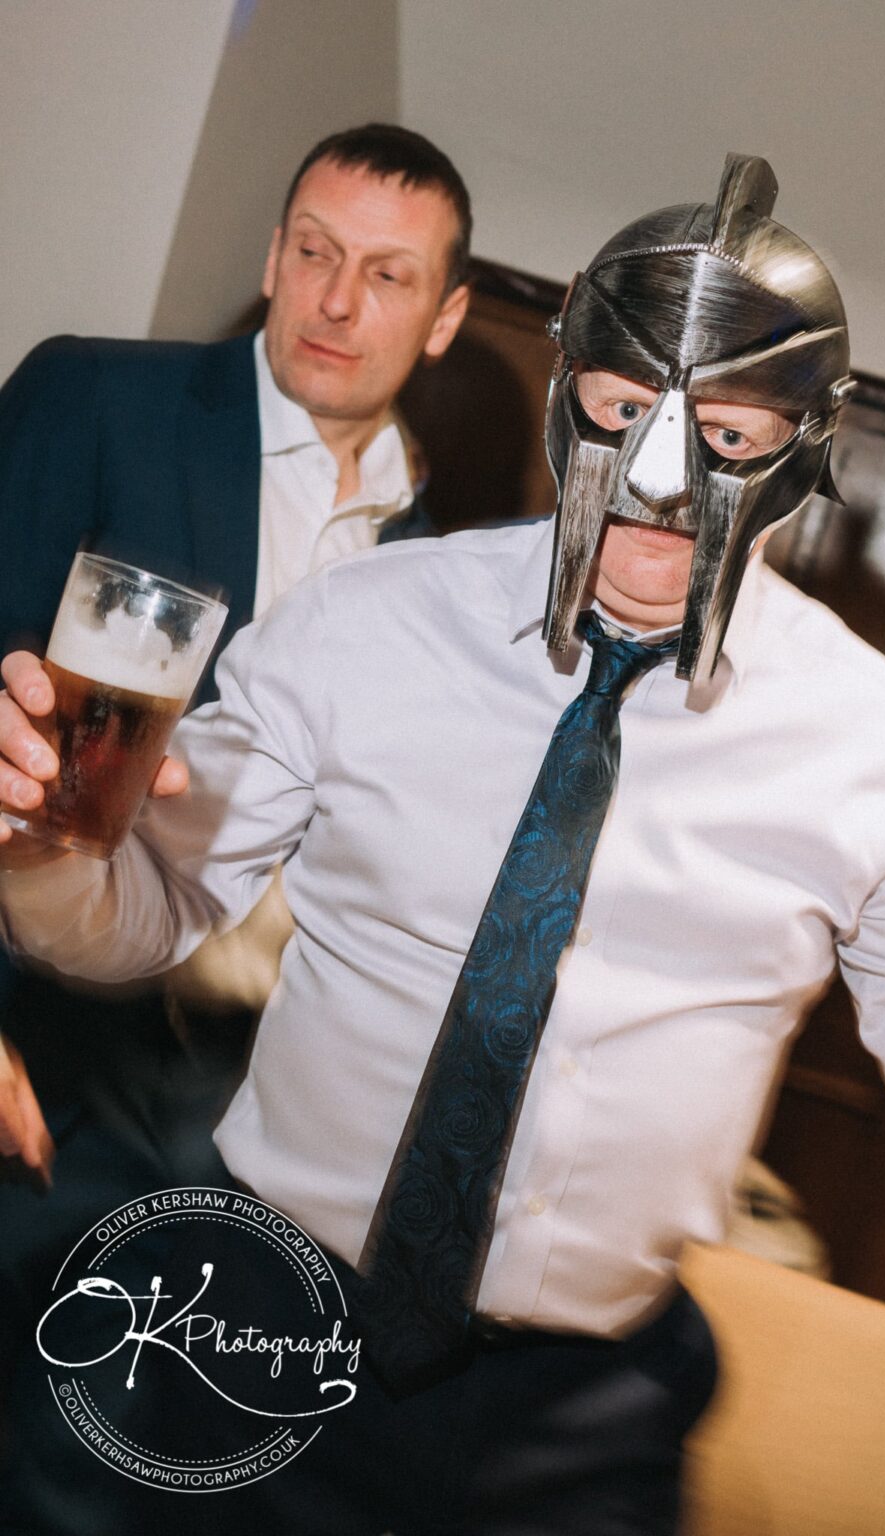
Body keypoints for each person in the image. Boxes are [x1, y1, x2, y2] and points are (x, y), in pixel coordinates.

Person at [0, 154, 885, 1535]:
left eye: (727, 434)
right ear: (568, 388)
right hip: (246, 1316)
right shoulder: (365, 622)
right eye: (624, 411)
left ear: (808, 446)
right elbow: (149, 915)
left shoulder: (871, 743)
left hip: (574, 1413)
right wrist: (41, 843)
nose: (660, 480)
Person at [0, 122, 471, 1536]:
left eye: (387, 275)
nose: (337, 299)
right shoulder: (98, 399)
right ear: (272, 256)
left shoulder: (439, 558)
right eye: (314, 252)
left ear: (445, 318)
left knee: (135, 1480)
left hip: (237, 1097)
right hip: (34, 1027)